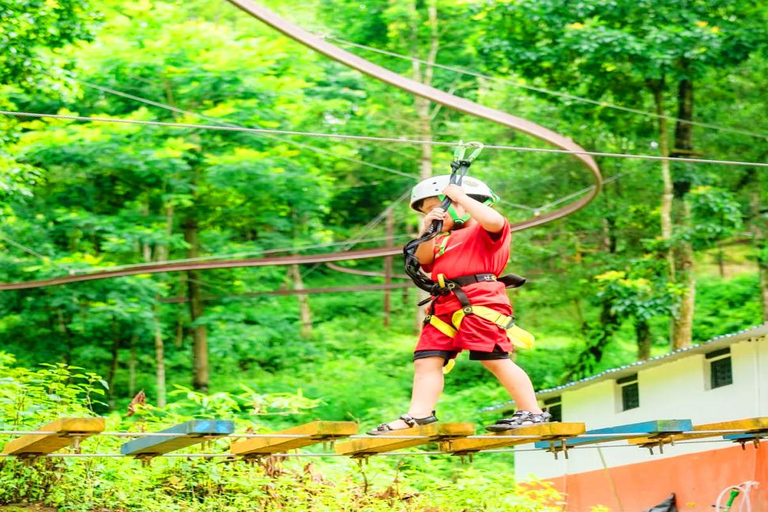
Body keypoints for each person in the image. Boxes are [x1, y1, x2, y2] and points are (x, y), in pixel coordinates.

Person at [368, 175, 550, 434]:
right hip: (443, 303)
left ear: (461, 204)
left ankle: (531, 411)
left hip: (478, 300)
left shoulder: (483, 230)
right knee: (426, 359)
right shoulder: (441, 239)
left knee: (493, 357)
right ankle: (419, 415)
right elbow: (423, 258)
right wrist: (427, 230)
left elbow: (495, 220)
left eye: (437, 208)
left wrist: (460, 197)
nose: (435, 214)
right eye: (428, 211)